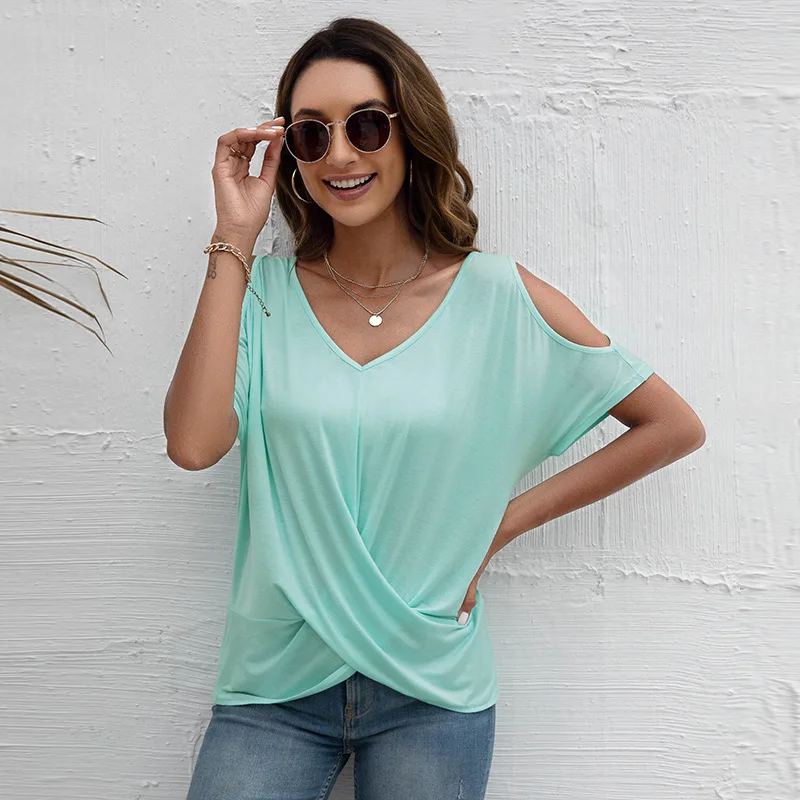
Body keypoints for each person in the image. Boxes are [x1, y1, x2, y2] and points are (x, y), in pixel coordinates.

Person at [163, 16, 706, 800]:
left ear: (411, 131)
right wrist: (234, 238)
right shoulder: (261, 298)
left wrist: (501, 525)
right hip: (272, 686)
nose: (339, 155)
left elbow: (671, 426)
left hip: (429, 689)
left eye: (366, 125)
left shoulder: (497, 297)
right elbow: (193, 444)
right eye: (311, 135)